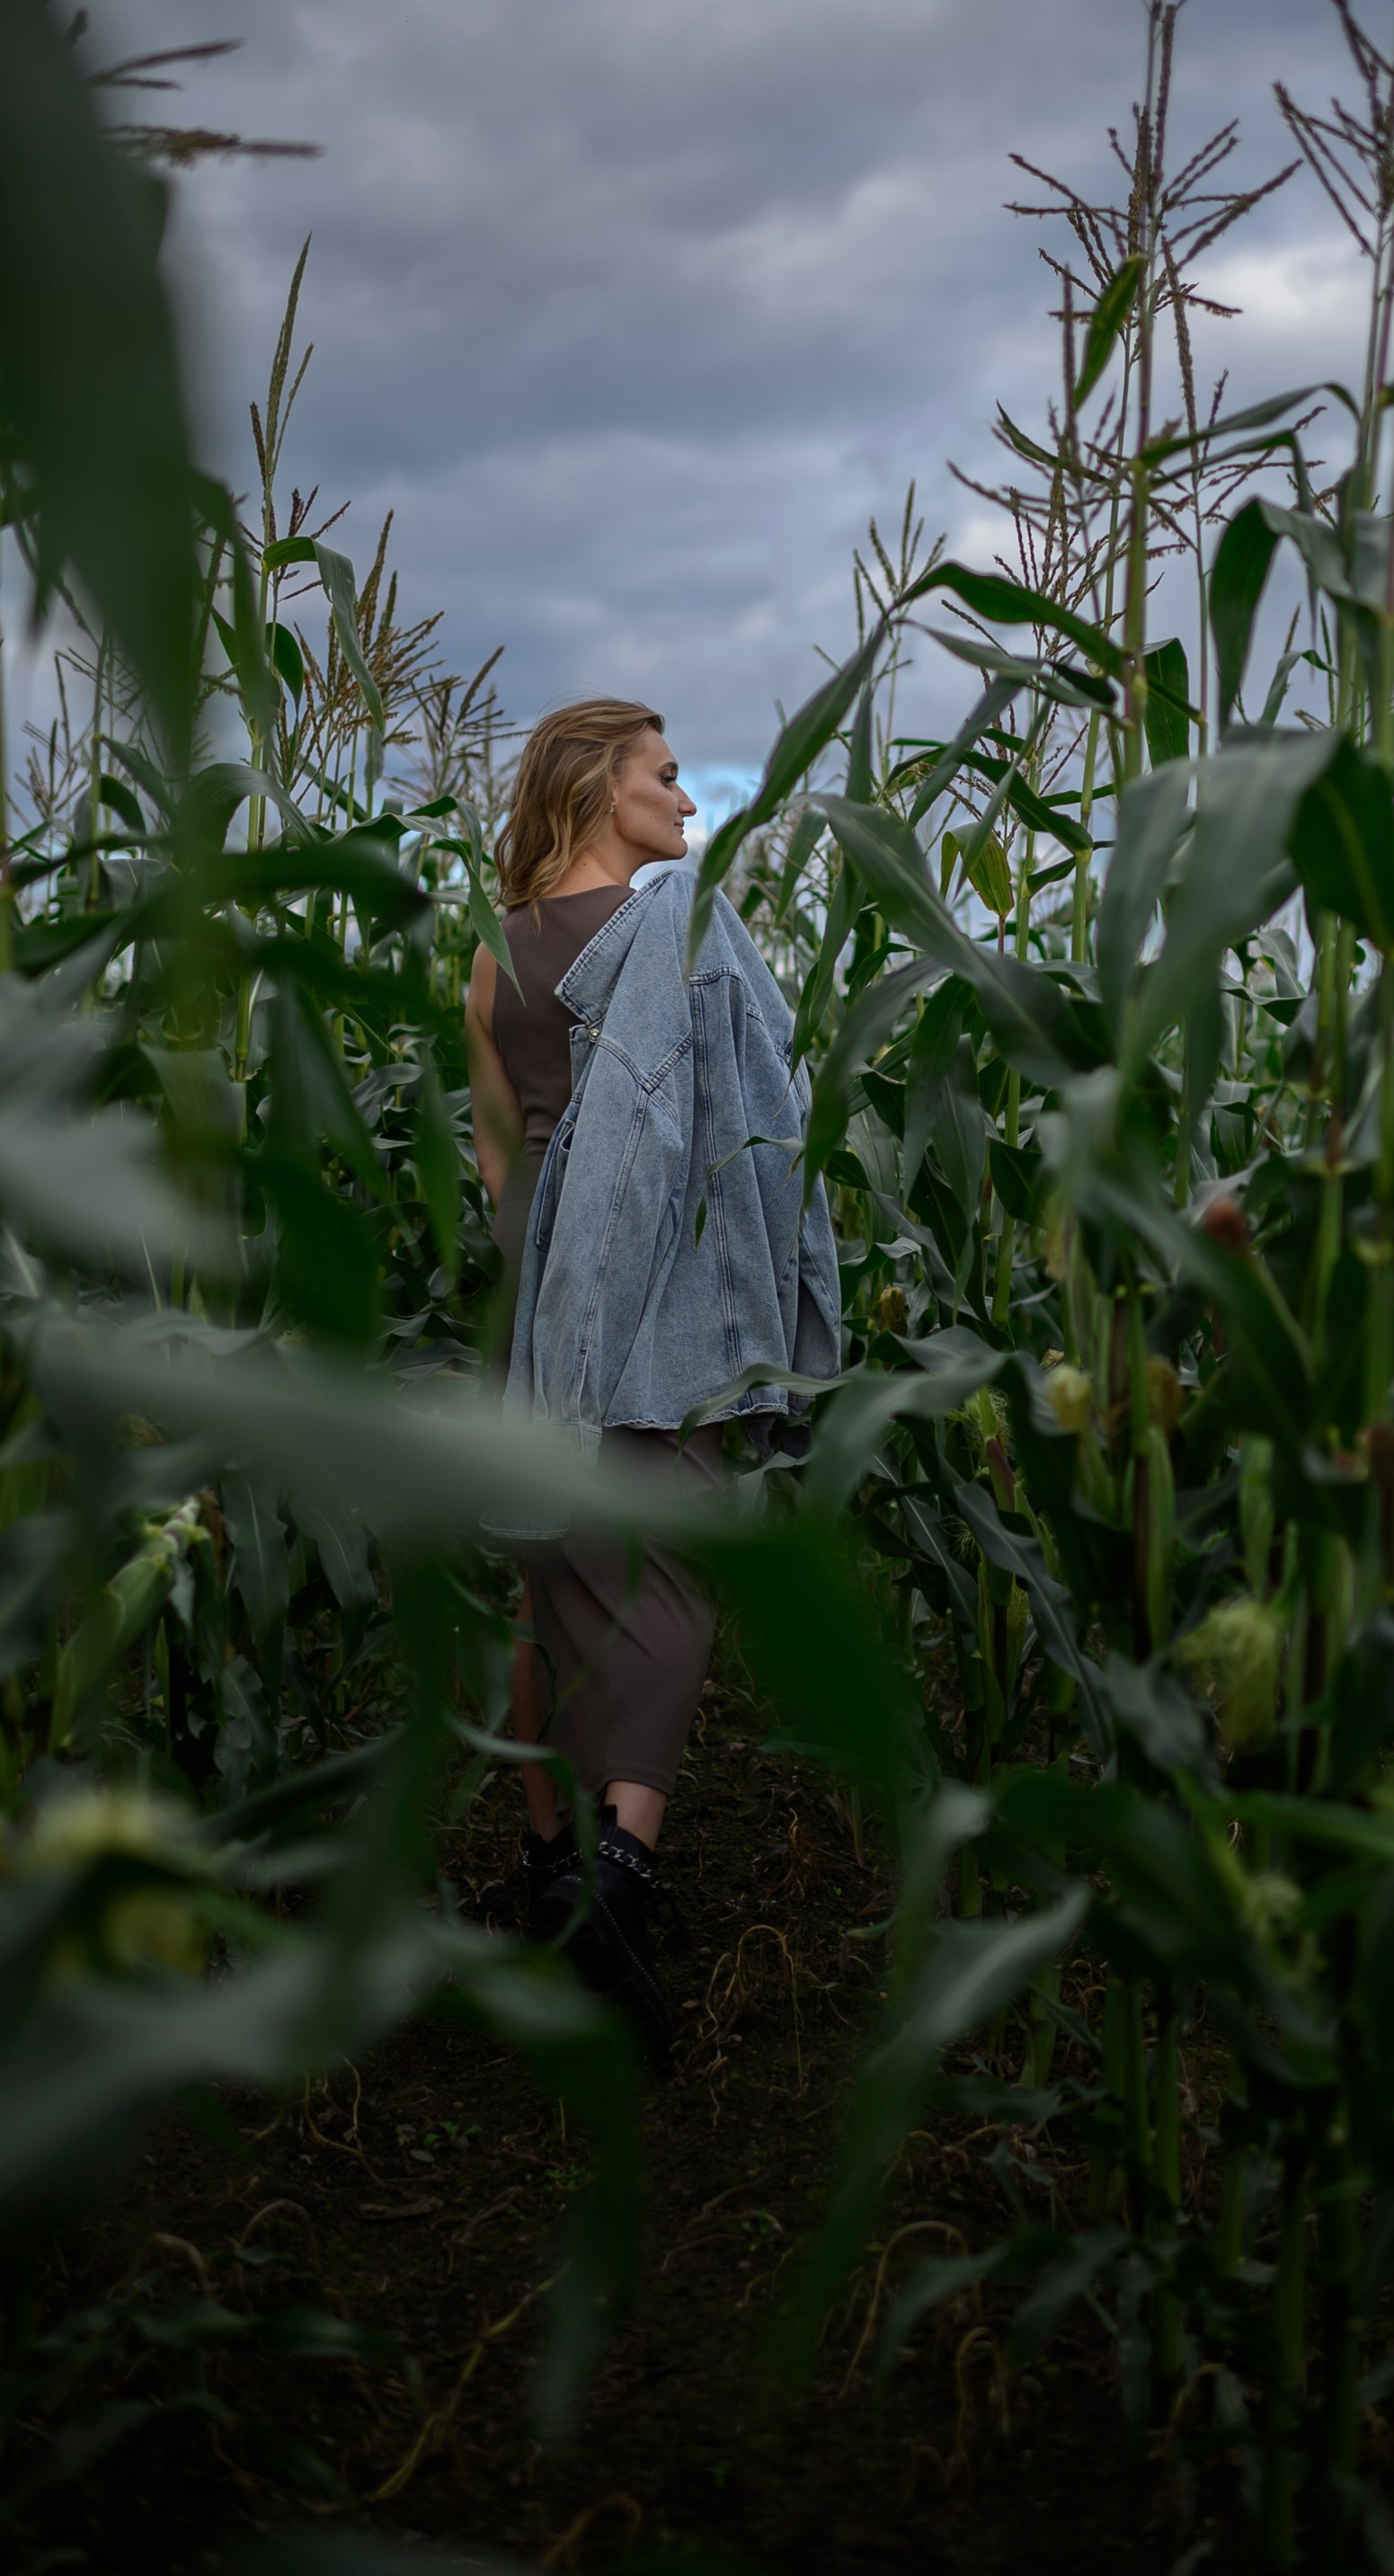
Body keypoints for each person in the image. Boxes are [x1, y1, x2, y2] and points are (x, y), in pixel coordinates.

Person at [466, 698, 838, 2055]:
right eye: (666, 776)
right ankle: (623, 1877)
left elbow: (501, 1169)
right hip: (661, 1320)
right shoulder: (682, 940)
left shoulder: (494, 961)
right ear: (596, 788)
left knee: (554, 1589)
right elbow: (749, 1124)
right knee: (668, 1582)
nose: (688, 799)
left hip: (538, 1313)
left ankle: (551, 1867)